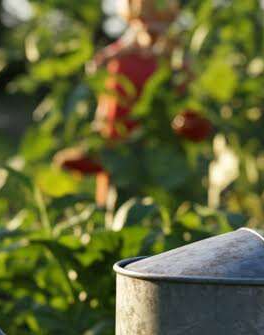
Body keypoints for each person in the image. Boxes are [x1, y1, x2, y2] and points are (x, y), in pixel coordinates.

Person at [54, 0, 185, 206]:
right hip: (117, 141)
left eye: (155, 16)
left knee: (155, 202)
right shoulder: (119, 53)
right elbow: (99, 84)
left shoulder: (174, 54)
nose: (148, 23)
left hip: (157, 143)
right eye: (142, 16)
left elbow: (187, 90)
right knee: (115, 203)